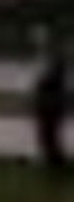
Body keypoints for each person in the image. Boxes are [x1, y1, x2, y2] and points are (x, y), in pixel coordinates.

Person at [32, 28, 69, 174]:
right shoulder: (49, 57)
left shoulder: (55, 58)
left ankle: (55, 163)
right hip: (47, 102)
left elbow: (48, 79)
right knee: (46, 134)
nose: (38, 43)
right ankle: (52, 161)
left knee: (50, 133)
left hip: (51, 103)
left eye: (41, 40)